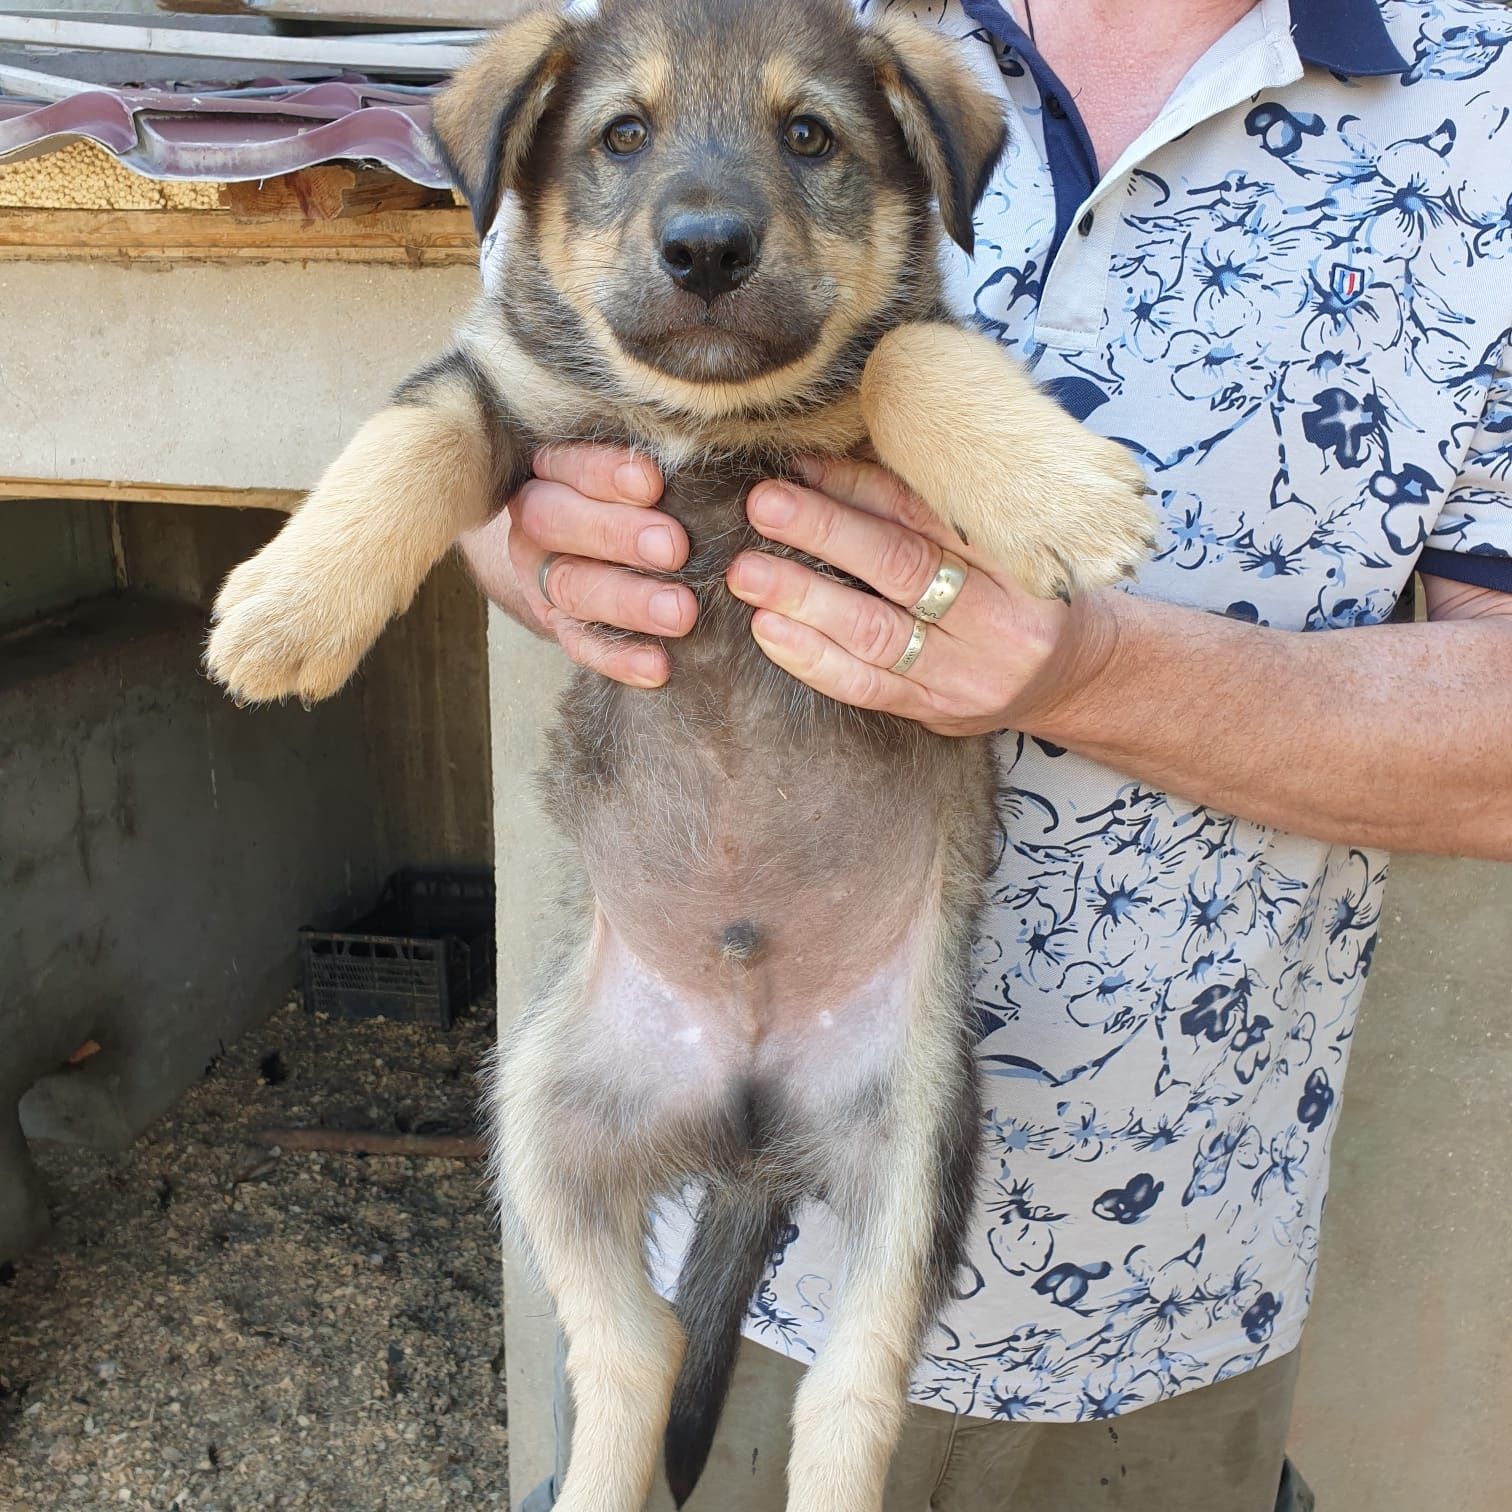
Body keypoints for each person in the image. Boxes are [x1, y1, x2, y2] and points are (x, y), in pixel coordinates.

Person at [462, 2, 1512, 1507]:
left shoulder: (1487, 102)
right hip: (705, 1227)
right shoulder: (712, 26)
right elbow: (506, 429)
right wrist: (539, 535)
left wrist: (1091, 668)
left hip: (1154, 1294)